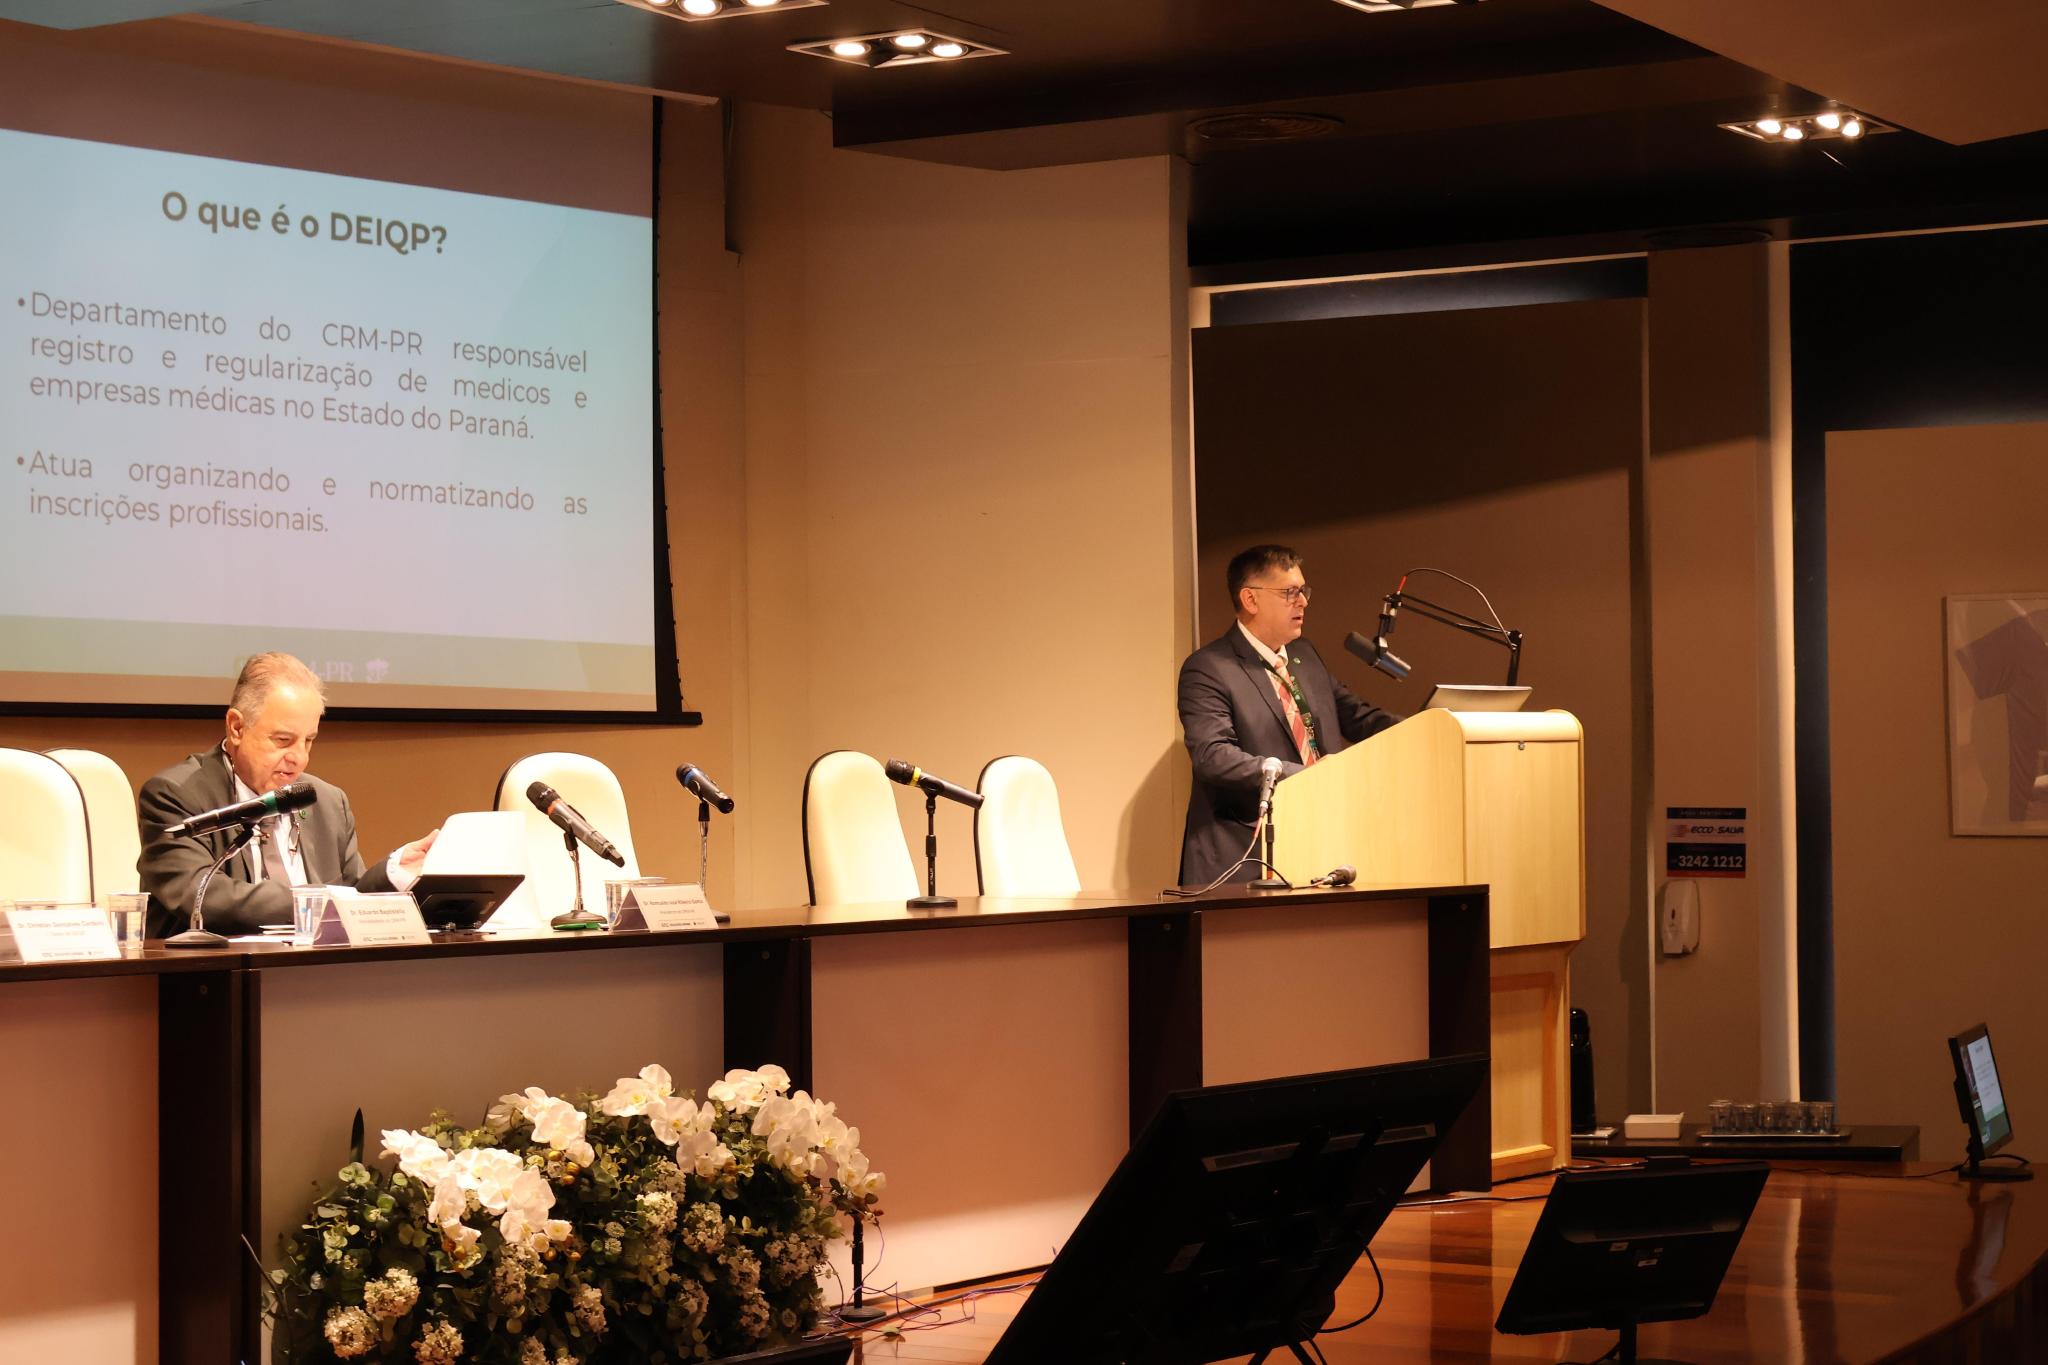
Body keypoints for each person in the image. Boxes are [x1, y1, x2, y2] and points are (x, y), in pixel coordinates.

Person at [138, 652, 437, 938]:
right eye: (283, 740)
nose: (299, 758)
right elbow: (203, 894)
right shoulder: (175, 795)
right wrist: (317, 901)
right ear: (237, 727)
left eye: (308, 741)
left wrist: (394, 872)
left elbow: (352, 898)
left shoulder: (328, 802)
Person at [1177, 544, 1401, 886]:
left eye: (1303, 591)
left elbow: (1358, 716)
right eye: (1289, 593)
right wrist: (1305, 776)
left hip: (1318, 841)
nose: (1303, 602)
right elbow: (1213, 756)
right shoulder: (1208, 668)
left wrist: (1429, 726)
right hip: (1246, 854)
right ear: (1250, 599)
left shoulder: (1304, 655)